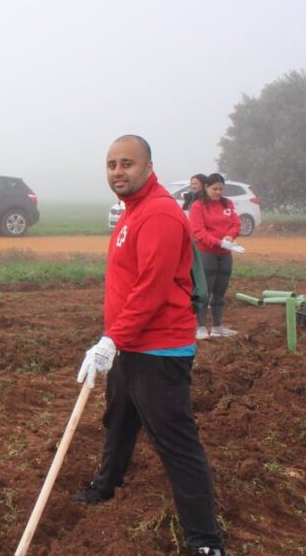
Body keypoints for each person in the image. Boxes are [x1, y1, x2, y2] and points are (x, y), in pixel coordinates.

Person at [74, 136, 226, 556]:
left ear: (148, 166)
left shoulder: (157, 213)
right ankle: (106, 486)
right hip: (129, 343)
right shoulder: (134, 211)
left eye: (127, 163)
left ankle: (205, 542)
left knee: (177, 443)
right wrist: (115, 339)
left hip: (158, 350)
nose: (118, 171)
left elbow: (153, 288)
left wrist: (112, 339)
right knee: (119, 420)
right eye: (110, 164)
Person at [189, 173, 244, 339]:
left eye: (221, 189)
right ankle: (200, 327)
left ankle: (218, 326)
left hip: (225, 254)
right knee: (204, 291)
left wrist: (229, 237)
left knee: (220, 290)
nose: (218, 192)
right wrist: (218, 242)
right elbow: (198, 232)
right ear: (206, 187)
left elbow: (236, 223)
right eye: (215, 189)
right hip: (206, 253)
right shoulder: (198, 206)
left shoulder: (228, 204)